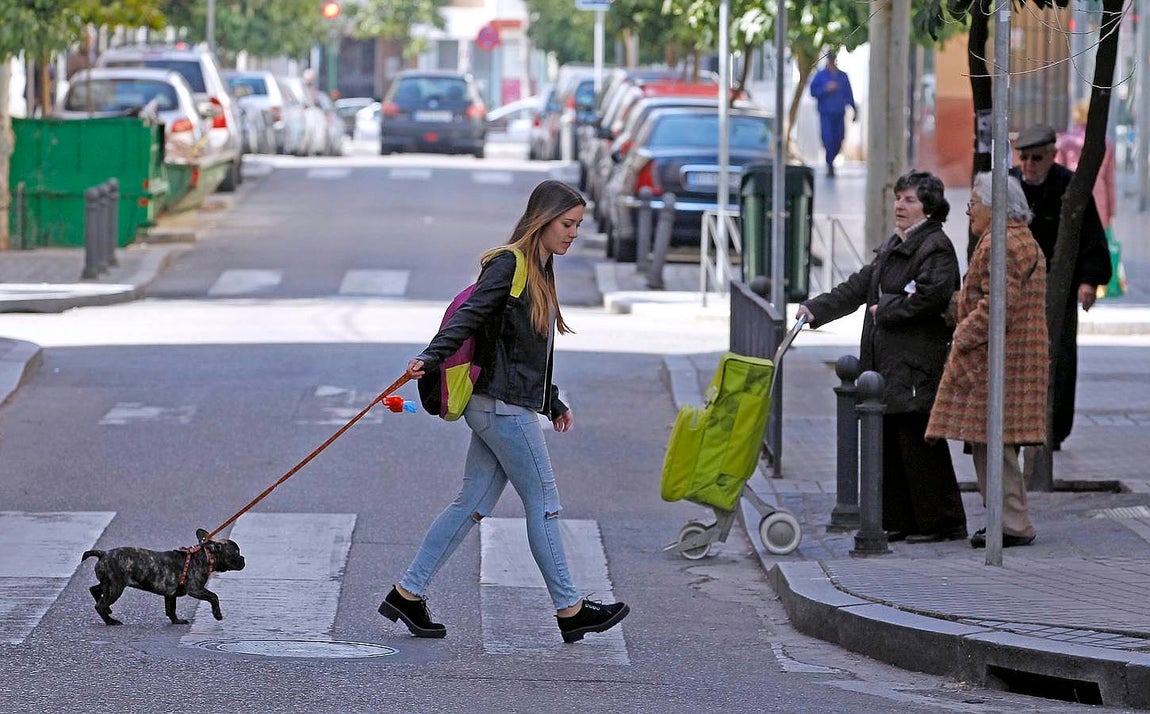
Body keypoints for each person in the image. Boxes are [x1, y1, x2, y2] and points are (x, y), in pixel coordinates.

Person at [379, 180, 630, 643]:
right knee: (545, 503)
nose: (574, 233)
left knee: (471, 503)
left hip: (502, 402)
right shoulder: (509, 263)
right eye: (567, 224)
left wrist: (551, 399)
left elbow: (523, 349)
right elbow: (470, 315)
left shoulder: (541, 266)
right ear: (543, 220)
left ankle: (407, 594)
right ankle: (570, 609)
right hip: (500, 407)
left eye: (577, 225)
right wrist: (432, 356)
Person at [796, 170, 967, 543]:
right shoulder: (897, 244)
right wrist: (816, 308)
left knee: (918, 443)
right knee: (890, 442)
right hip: (888, 362)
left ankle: (941, 522)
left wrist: (884, 309)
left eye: (909, 200)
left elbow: (931, 297)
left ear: (930, 207)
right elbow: (861, 284)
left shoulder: (934, 246)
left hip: (915, 362)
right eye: (898, 198)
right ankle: (902, 520)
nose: (899, 206)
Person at [927, 173, 1048, 548]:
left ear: (995, 206)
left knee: (995, 440)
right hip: (1010, 356)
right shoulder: (1012, 238)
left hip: (1002, 358)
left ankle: (1011, 523)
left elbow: (998, 305)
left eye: (974, 203)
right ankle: (1004, 519)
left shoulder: (1003, 242)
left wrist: (962, 335)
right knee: (991, 439)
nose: (968, 211)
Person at [1008, 124, 1111, 450]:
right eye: (1023, 157)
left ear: (1053, 155)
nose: (1029, 164)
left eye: (1037, 157)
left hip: (1058, 291)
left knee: (1060, 361)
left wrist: (1088, 281)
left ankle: (1053, 432)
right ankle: (1014, 429)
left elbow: (1092, 238)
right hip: (1016, 290)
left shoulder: (1070, 187)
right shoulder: (1008, 185)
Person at [1056, 99, 1126, 298]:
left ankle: (1075, 282)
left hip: (1072, 197)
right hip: (1100, 198)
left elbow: (1058, 172)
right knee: (1096, 241)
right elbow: (1109, 180)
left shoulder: (1066, 142)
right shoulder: (1106, 143)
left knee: (1074, 239)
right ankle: (1097, 285)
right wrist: (1111, 210)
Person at [809, 51, 857, 178]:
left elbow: (849, 94)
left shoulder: (842, 76)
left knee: (839, 138)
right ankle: (829, 163)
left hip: (839, 113)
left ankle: (832, 159)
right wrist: (826, 89)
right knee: (828, 138)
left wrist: (854, 109)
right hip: (826, 113)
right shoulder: (820, 76)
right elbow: (813, 91)